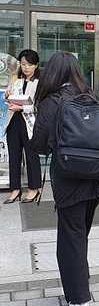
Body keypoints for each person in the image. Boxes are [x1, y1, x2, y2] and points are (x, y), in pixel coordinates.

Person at [30, 52, 99, 306]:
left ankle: (80, 304)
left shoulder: (52, 102)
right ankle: (78, 286)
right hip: (98, 180)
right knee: (79, 238)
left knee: (70, 242)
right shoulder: (93, 98)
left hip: (70, 182)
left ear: (51, 75)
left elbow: (39, 145)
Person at [2, 49, 41, 204]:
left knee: (31, 156)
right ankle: (15, 189)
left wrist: (22, 108)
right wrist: (7, 96)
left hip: (30, 123)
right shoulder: (16, 78)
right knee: (14, 157)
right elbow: (7, 98)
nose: (26, 68)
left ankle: (34, 189)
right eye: (24, 64)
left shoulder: (40, 82)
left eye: (30, 64)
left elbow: (39, 105)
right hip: (13, 121)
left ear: (36, 65)